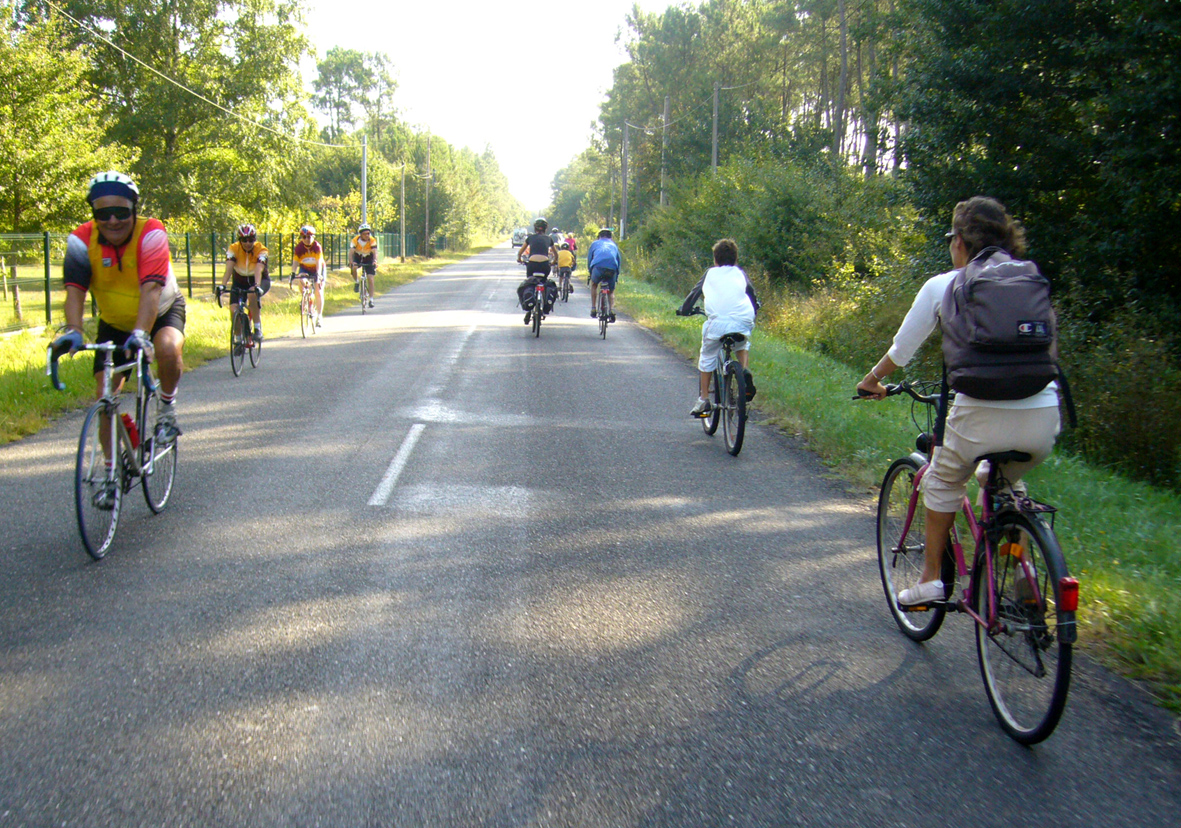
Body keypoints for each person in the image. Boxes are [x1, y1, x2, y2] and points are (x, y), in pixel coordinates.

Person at [855, 196, 1061, 606]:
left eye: (952, 237)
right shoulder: (1028, 278)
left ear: (960, 241)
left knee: (943, 480)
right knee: (1002, 479)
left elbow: (902, 350)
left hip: (980, 414)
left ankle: (931, 579)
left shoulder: (945, 284)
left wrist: (871, 381)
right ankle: (1025, 568)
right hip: (1043, 416)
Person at [55, 171, 186, 491]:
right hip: (114, 323)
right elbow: (75, 292)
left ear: (133, 209)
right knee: (105, 395)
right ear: (94, 214)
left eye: (121, 212)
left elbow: (151, 290)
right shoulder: (80, 241)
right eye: (103, 214)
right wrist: (73, 330)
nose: (112, 220)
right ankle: (111, 474)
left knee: (168, 347)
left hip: (161, 311)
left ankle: (166, 410)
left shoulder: (151, 233)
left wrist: (141, 333)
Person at [676, 238, 759, 416]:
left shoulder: (710, 273)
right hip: (743, 320)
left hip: (718, 323)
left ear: (715, 259)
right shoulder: (740, 273)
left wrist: (684, 309)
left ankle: (704, 399)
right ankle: (744, 372)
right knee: (742, 344)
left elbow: (694, 294)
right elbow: (752, 295)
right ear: (735, 259)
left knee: (707, 357)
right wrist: (755, 310)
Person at [220, 223, 270, 342]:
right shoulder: (233, 248)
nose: (248, 243)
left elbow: (258, 269)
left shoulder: (262, 250)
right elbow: (229, 269)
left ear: (255, 239)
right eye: (244, 240)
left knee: (252, 294)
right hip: (239, 281)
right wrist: (222, 285)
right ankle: (238, 340)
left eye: (251, 240)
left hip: (259, 280)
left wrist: (257, 286)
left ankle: (257, 328)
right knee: (234, 310)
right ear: (240, 240)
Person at [516, 217, 558, 323]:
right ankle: (544, 303)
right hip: (545, 265)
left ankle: (529, 310)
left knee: (530, 283)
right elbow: (556, 254)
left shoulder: (530, 238)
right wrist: (553, 262)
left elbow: (520, 252)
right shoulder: (549, 239)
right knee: (544, 282)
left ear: (535, 228)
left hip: (532, 265)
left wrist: (519, 259)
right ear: (545, 228)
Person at [291, 224, 325, 326]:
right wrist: (293, 273)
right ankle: (306, 298)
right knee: (302, 281)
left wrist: (318, 274)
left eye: (309, 237)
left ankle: (319, 316)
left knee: (318, 290)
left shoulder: (317, 247)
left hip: (317, 268)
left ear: (313, 237)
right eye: (304, 237)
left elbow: (319, 261)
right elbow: (295, 262)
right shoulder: (299, 248)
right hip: (305, 268)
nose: (306, 239)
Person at [586, 227, 622, 320]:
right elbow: (618, 260)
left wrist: (590, 272)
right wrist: (617, 275)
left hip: (597, 267)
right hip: (612, 268)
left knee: (594, 285)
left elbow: (590, 259)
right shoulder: (613, 245)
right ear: (610, 237)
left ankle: (593, 308)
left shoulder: (594, 244)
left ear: (599, 237)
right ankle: (611, 309)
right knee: (611, 291)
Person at [350, 223, 378, 307]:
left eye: (368, 233)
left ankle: (371, 300)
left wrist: (375, 261)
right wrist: (351, 261)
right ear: (361, 234)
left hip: (369, 257)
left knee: (370, 278)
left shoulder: (372, 240)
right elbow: (351, 252)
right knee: (354, 267)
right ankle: (357, 282)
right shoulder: (355, 240)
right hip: (358, 256)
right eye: (365, 234)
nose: (367, 235)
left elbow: (375, 252)